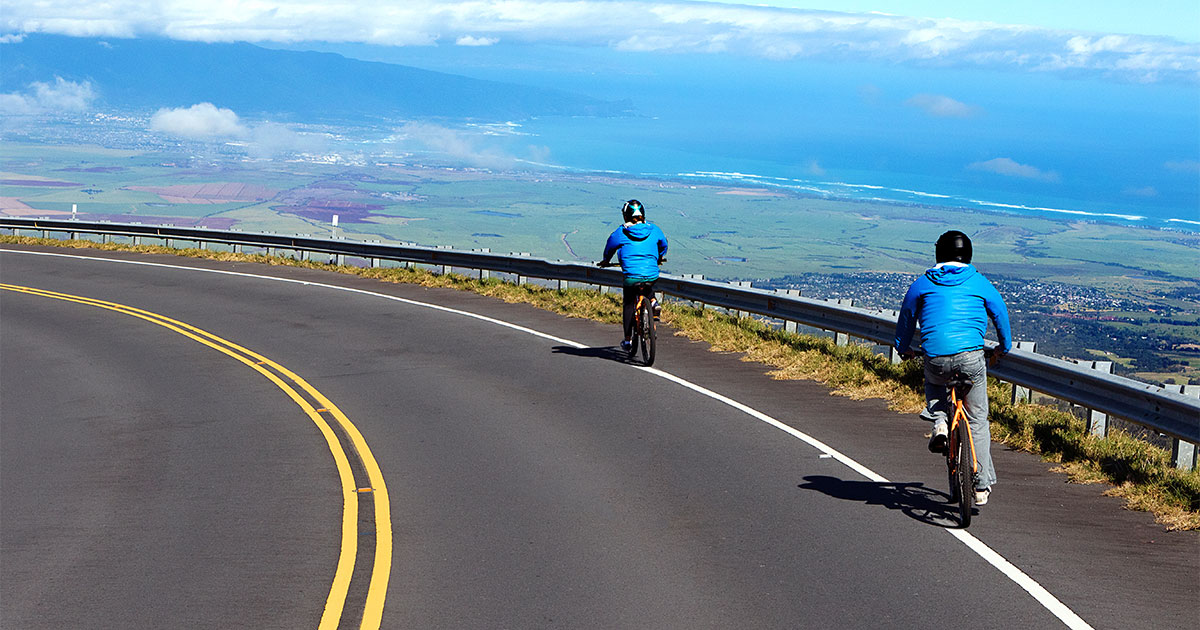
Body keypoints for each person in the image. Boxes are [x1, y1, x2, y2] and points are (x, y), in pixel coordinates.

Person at [893, 230, 1012, 506]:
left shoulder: (922, 284)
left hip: (935, 356)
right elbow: (1000, 314)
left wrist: (903, 348)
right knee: (978, 420)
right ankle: (981, 487)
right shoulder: (980, 283)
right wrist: (1002, 348)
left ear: (939, 253)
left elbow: (906, 319)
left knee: (934, 381)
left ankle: (940, 423)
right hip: (971, 358)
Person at [600, 199, 668, 351]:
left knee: (629, 303)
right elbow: (664, 244)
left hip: (631, 276)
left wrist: (605, 261)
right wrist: (660, 257)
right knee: (648, 281)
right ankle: (652, 301)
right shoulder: (654, 229)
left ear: (626, 215)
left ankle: (628, 340)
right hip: (652, 273)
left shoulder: (621, 232)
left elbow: (610, 247)